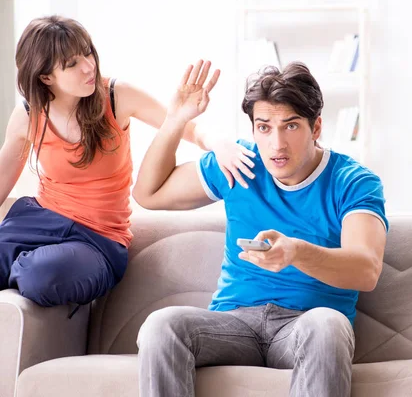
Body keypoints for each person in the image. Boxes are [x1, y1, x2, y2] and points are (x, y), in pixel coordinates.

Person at [134, 60, 388, 397]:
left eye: (291, 126)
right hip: (234, 323)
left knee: (328, 325)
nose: (277, 144)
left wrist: (297, 252)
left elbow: (365, 269)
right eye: (264, 127)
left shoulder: (352, 182)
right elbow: (148, 194)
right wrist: (177, 120)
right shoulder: (241, 163)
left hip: (304, 326)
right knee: (162, 325)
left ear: (316, 128)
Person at [0, 16, 254, 311]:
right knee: (35, 268)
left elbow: (183, 124)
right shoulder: (28, 115)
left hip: (97, 240)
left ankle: (22, 264)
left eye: (87, 53)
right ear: (45, 77)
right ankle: (24, 260)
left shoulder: (115, 96)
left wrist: (219, 143)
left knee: (40, 276)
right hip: (39, 222)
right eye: (71, 64)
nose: (88, 66)